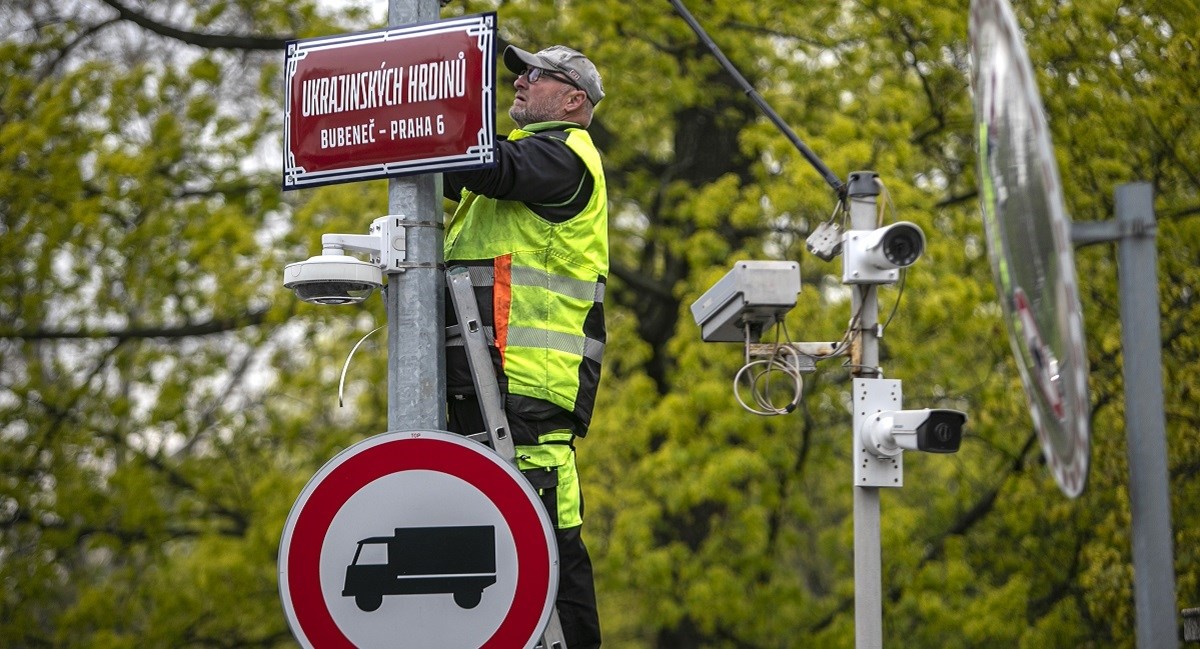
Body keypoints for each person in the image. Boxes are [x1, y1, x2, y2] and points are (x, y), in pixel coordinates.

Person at [441, 44, 607, 649]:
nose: (518, 80)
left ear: (572, 100)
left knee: (549, 555)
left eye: (534, 74)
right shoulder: (518, 178)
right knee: (494, 559)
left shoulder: (564, 158)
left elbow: (491, 166)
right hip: (488, 393)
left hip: (526, 392)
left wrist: (425, 125)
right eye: (518, 71)